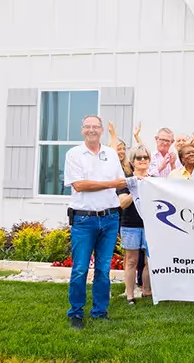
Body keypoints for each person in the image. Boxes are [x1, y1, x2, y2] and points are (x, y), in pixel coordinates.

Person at [63, 115, 127, 329]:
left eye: (95, 127)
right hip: (84, 219)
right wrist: (110, 184)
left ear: (101, 131)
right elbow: (79, 185)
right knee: (80, 269)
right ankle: (76, 313)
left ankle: (100, 311)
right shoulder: (74, 154)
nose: (91, 130)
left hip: (109, 219)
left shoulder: (110, 153)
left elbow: (121, 182)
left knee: (103, 269)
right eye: (87, 127)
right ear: (82, 130)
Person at [118, 145, 153, 304]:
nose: (143, 160)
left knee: (149, 260)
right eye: (139, 158)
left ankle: (146, 290)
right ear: (132, 161)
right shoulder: (126, 181)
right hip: (130, 225)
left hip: (151, 225)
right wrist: (136, 188)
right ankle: (130, 295)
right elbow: (123, 204)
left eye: (145, 157)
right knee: (131, 260)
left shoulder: (154, 180)